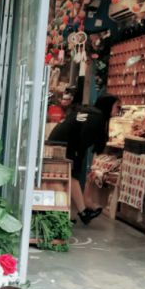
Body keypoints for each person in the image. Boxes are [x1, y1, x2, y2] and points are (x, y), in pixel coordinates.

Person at [48, 95, 120, 224]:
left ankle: (74, 213)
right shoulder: (97, 118)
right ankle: (82, 212)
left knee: (70, 177)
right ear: (108, 106)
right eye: (117, 107)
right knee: (72, 176)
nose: (118, 110)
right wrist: (78, 157)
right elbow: (83, 139)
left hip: (60, 141)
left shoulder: (92, 113)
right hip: (64, 144)